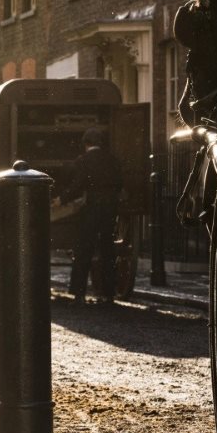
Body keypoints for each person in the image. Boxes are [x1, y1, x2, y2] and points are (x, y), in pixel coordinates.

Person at [59, 127, 123, 305]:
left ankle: (79, 293)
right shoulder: (112, 160)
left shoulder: (83, 160)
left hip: (91, 210)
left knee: (84, 250)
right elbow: (119, 183)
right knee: (107, 251)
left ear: (85, 144)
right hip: (110, 209)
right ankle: (108, 293)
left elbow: (78, 185)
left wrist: (61, 199)